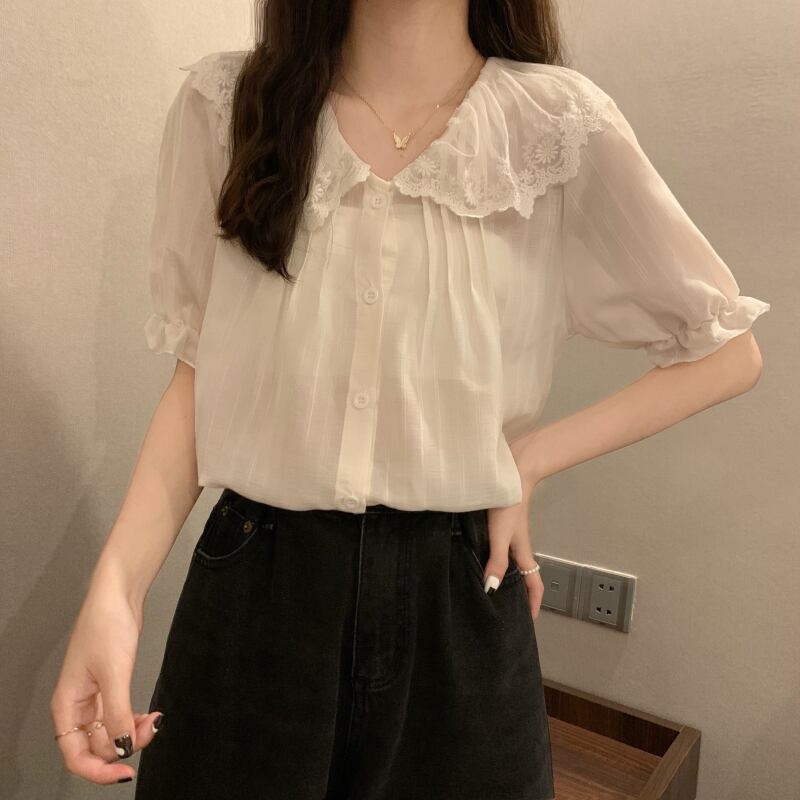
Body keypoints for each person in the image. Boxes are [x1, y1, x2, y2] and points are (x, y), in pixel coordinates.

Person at [49, 1, 770, 798]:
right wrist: (116, 591)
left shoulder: (555, 127)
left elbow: (725, 353)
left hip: (461, 603)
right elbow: (199, 368)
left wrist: (529, 459)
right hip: (257, 594)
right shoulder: (228, 107)